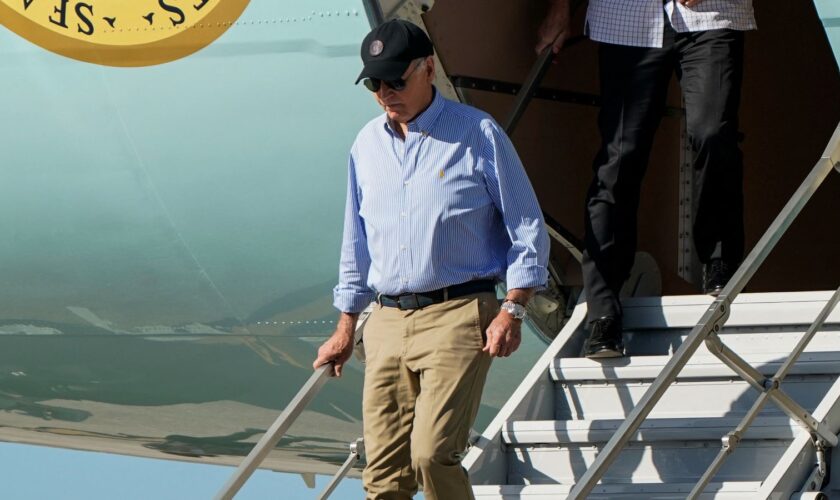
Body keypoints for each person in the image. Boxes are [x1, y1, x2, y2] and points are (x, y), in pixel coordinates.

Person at [312, 19, 549, 500]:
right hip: (386, 321)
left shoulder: (478, 133)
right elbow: (355, 242)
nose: (385, 93)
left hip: (458, 315)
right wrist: (345, 324)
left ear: (428, 69)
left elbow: (526, 225)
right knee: (383, 478)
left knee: (431, 455)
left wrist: (515, 307)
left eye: (396, 80)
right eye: (375, 83)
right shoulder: (365, 146)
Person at [537, 0, 756, 358]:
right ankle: (604, 308)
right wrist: (561, 9)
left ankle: (720, 262)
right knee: (618, 160)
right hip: (626, 18)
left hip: (712, 14)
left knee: (713, 133)